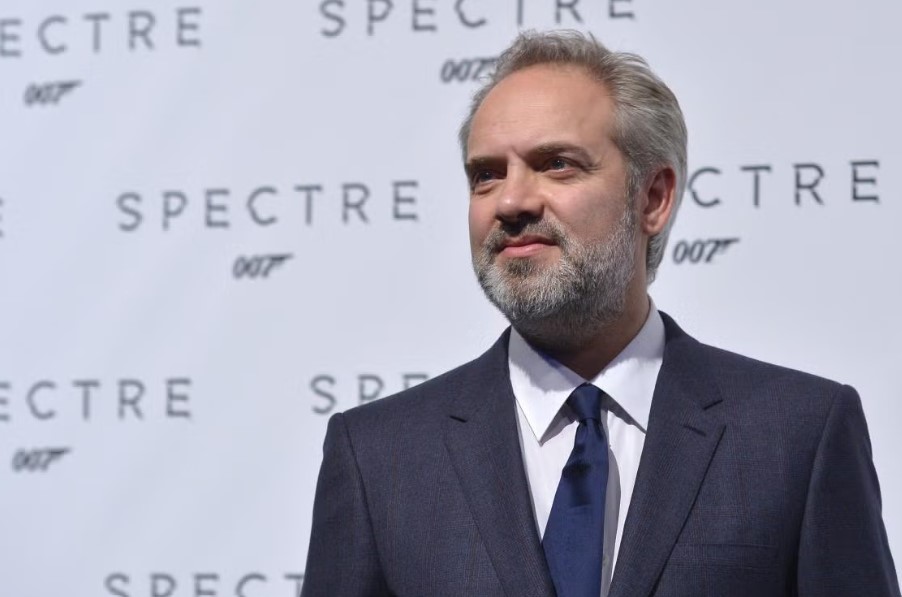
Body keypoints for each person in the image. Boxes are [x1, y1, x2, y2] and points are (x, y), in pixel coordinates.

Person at [301, 30, 899, 597]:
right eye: (486, 175)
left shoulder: (798, 433)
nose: (511, 201)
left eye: (557, 163)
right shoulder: (378, 457)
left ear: (653, 198)